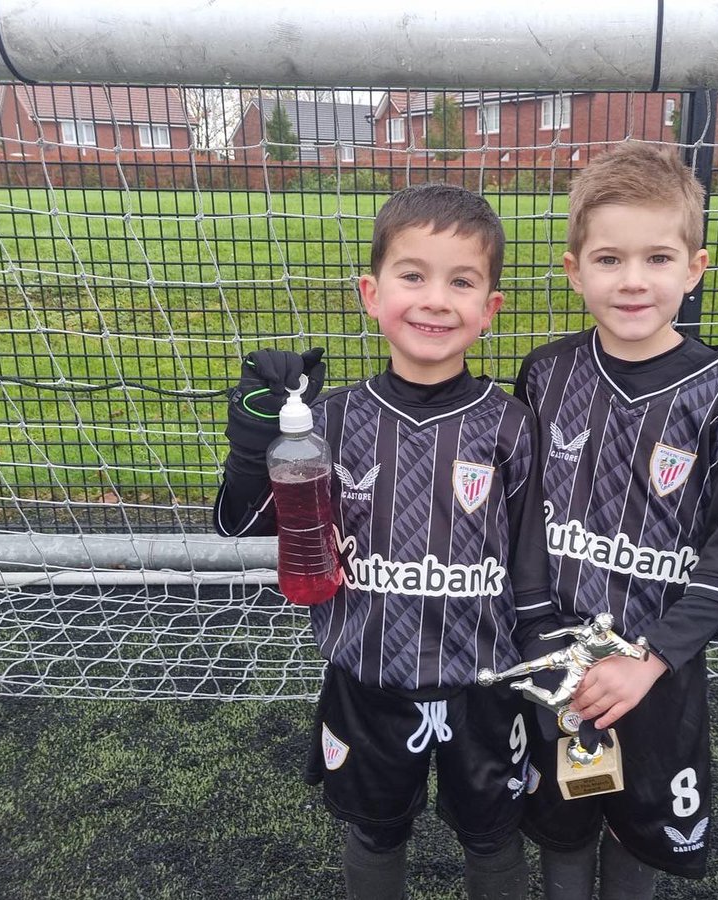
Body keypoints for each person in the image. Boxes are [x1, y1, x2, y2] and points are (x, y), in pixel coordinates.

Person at [214, 183, 556, 900]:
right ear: (371, 293)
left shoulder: (510, 425)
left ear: (489, 310)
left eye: (461, 281)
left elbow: (532, 564)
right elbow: (241, 525)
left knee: (494, 831)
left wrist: (546, 661)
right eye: (413, 275)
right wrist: (255, 445)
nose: (435, 299)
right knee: (374, 831)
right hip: (367, 676)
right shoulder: (330, 421)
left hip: (484, 682)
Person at [514, 143, 718, 899]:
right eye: (609, 259)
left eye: (658, 258)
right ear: (574, 271)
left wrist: (650, 659)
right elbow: (520, 517)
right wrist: (538, 640)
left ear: (694, 268)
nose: (633, 281)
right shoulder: (545, 373)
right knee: (561, 828)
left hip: (656, 672)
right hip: (555, 665)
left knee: (639, 838)